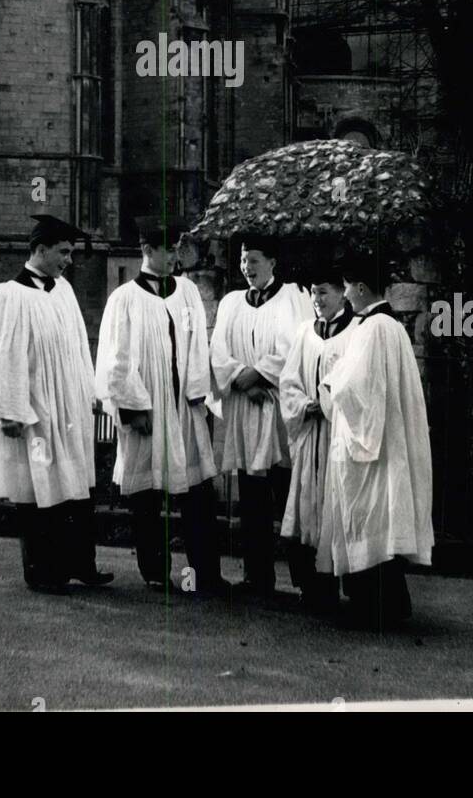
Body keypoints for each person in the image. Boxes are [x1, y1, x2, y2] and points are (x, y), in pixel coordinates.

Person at [0, 214, 113, 594]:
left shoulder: (63, 290)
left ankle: (81, 565)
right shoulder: (9, 295)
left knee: (75, 485)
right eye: (63, 252)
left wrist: (90, 392)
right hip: (36, 407)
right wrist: (9, 411)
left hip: (69, 406)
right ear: (40, 250)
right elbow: (4, 354)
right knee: (40, 489)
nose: (68, 260)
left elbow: (77, 346)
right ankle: (43, 571)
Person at [95, 215, 225, 593]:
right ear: (147, 251)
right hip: (149, 411)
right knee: (148, 496)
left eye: (177, 249)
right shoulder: (124, 299)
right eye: (166, 249)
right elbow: (116, 358)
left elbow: (197, 341)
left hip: (184, 406)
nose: (174, 256)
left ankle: (205, 574)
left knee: (197, 492)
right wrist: (134, 408)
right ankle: (155, 572)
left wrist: (199, 391)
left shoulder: (186, 292)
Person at [316, 249, 434, 629]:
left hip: (371, 447)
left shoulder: (373, 329)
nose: (346, 295)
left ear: (361, 287)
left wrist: (329, 382)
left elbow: (356, 388)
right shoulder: (391, 327)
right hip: (385, 441)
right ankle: (388, 602)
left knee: (369, 519)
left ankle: (376, 606)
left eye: (348, 287)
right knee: (379, 521)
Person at [211, 236, 314, 595]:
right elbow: (218, 350)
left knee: (288, 494)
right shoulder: (231, 303)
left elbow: (294, 348)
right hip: (245, 408)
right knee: (252, 497)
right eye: (243, 259)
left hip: (276, 410)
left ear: (272, 262)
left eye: (254, 259)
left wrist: (258, 376)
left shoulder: (293, 299)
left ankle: (306, 579)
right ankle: (258, 576)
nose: (247, 267)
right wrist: (242, 379)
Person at [279, 266, 357, 612]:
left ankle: (348, 585)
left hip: (338, 434)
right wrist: (303, 405)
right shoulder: (305, 334)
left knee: (337, 508)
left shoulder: (355, 332)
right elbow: (288, 381)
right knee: (306, 507)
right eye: (312, 292)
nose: (317, 300)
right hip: (310, 433)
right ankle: (311, 587)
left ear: (342, 292)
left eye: (324, 292)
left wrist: (330, 406)